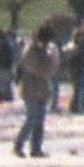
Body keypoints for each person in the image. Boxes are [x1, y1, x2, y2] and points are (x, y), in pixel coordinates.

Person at [14, 26, 60, 156]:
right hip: (30, 89)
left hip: (42, 89)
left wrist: (52, 61)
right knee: (31, 119)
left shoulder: (44, 50)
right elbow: (37, 69)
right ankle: (18, 145)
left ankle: (36, 149)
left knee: (40, 121)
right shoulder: (30, 51)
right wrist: (49, 64)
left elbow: (50, 69)